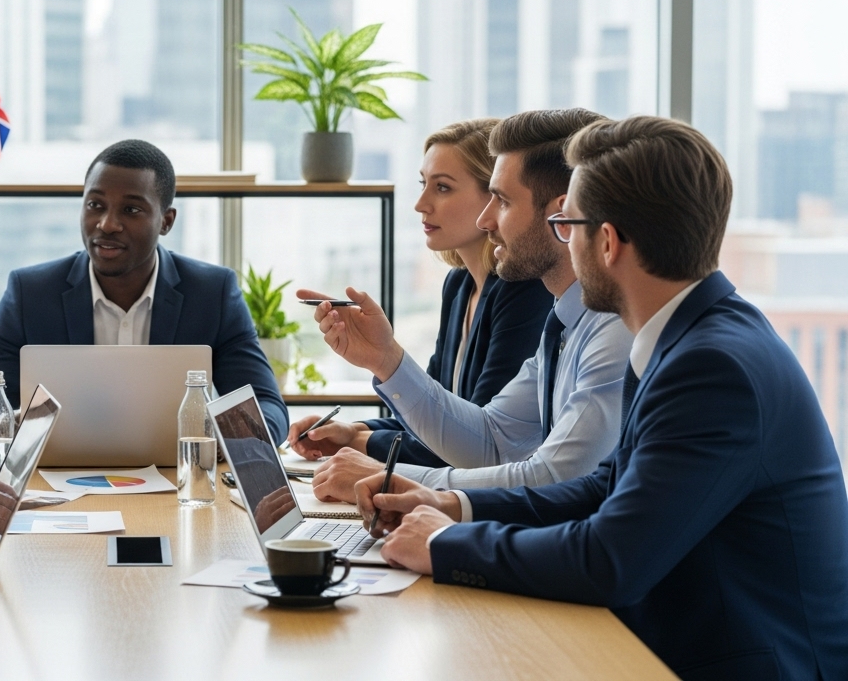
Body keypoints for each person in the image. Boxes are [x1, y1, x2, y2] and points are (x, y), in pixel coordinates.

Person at [359, 116, 848, 680]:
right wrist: (456, 508)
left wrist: (449, 546)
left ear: (608, 241)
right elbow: (605, 488)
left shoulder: (712, 367)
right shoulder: (684, 338)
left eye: (569, 224)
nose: (564, 238)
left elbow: (612, 559)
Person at [298, 108, 631, 499]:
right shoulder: (566, 320)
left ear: (562, 217)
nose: (487, 221)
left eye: (502, 201)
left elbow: (556, 479)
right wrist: (385, 359)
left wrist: (389, 479)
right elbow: (490, 440)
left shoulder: (614, 328)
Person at [0, 139, 288, 445]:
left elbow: (268, 408)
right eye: (95, 205)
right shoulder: (32, 293)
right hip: (58, 493)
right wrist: (8, 427)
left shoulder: (212, 294)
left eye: (131, 209)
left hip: (175, 491)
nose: (107, 224)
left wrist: (214, 433)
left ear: (166, 221)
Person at [287, 119, 551, 469]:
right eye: (424, 184)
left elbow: (471, 443)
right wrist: (354, 429)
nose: (421, 204)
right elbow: (433, 415)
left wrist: (361, 442)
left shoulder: (525, 291)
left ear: (495, 196)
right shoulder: (459, 285)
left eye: (442, 188)